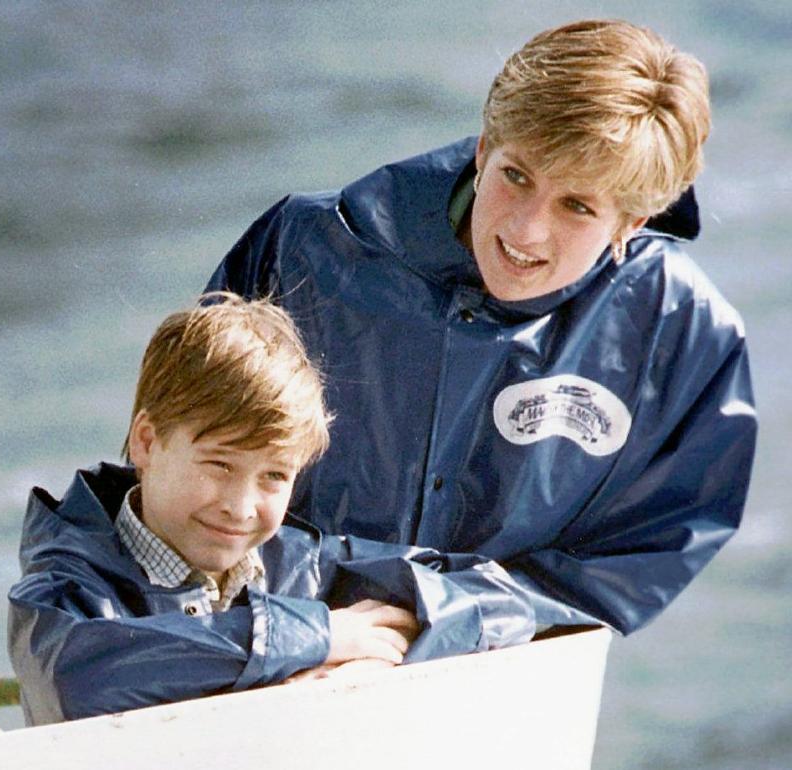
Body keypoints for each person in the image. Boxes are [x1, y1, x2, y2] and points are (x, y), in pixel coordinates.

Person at [206, 19, 756, 643]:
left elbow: (645, 551)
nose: (525, 232)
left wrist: (451, 612)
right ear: (483, 148)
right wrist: (315, 623)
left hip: (499, 672)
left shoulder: (681, 330)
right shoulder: (305, 246)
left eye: (576, 206)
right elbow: (189, 459)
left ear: (631, 220)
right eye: (515, 176)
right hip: (276, 640)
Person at [9, 293, 531, 725]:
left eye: (274, 477)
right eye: (219, 465)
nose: (240, 507)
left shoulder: (303, 568)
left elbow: (504, 602)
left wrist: (367, 662)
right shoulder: (62, 587)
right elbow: (80, 679)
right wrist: (314, 637)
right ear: (146, 441)